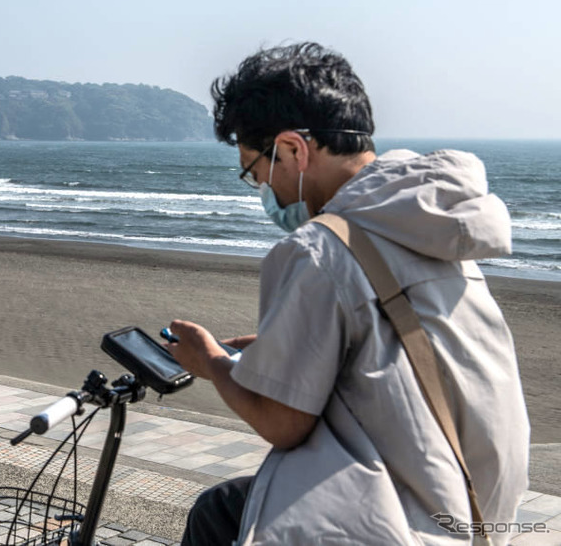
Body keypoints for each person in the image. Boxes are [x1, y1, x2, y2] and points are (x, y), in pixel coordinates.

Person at [166, 43, 529, 545]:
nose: (262, 192)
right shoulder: (427, 218)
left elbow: (283, 424)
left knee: (220, 513)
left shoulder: (318, 247)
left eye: (255, 173)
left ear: (293, 149)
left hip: (397, 520)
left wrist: (210, 361)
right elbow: (402, 339)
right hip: (482, 507)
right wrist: (282, 348)